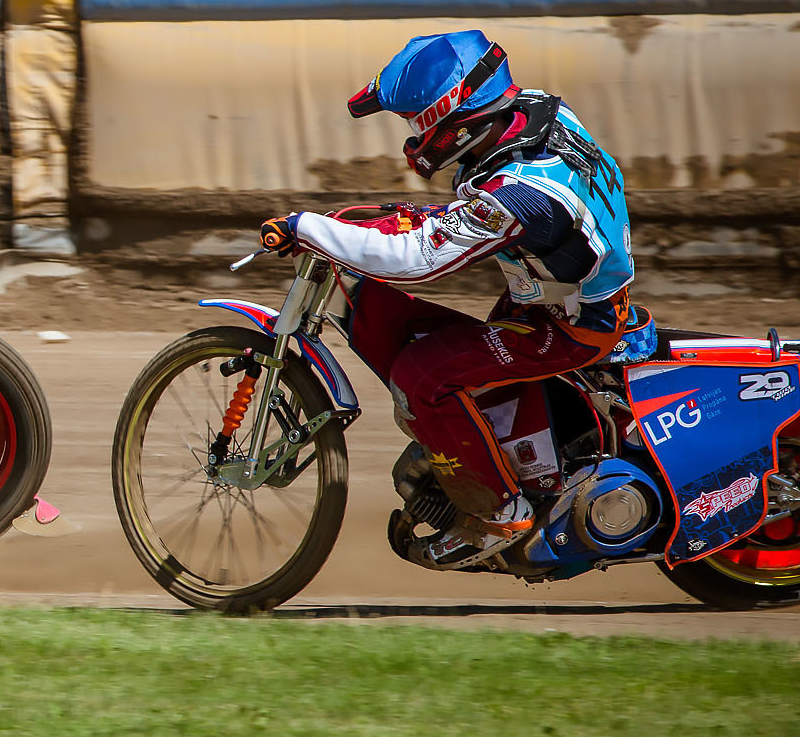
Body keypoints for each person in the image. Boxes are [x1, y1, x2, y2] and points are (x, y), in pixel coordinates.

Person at [255, 28, 656, 567]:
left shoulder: (521, 194)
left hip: (569, 327)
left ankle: (501, 514)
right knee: (404, 327)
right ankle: (491, 456)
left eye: (416, 126)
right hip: (545, 300)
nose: (413, 138)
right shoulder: (531, 112)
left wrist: (308, 227)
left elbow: (418, 259)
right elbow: (449, 220)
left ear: (456, 124)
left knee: (421, 375)